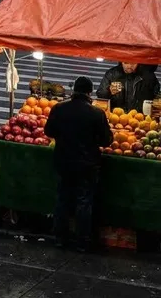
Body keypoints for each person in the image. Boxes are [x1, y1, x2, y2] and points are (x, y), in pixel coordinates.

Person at [44, 76, 113, 250]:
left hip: (63, 161)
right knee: (84, 201)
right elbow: (106, 140)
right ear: (89, 92)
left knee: (63, 199)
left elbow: (48, 131)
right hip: (87, 164)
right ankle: (82, 241)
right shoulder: (97, 113)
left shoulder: (59, 108)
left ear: (74, 89)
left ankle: (60, 238)